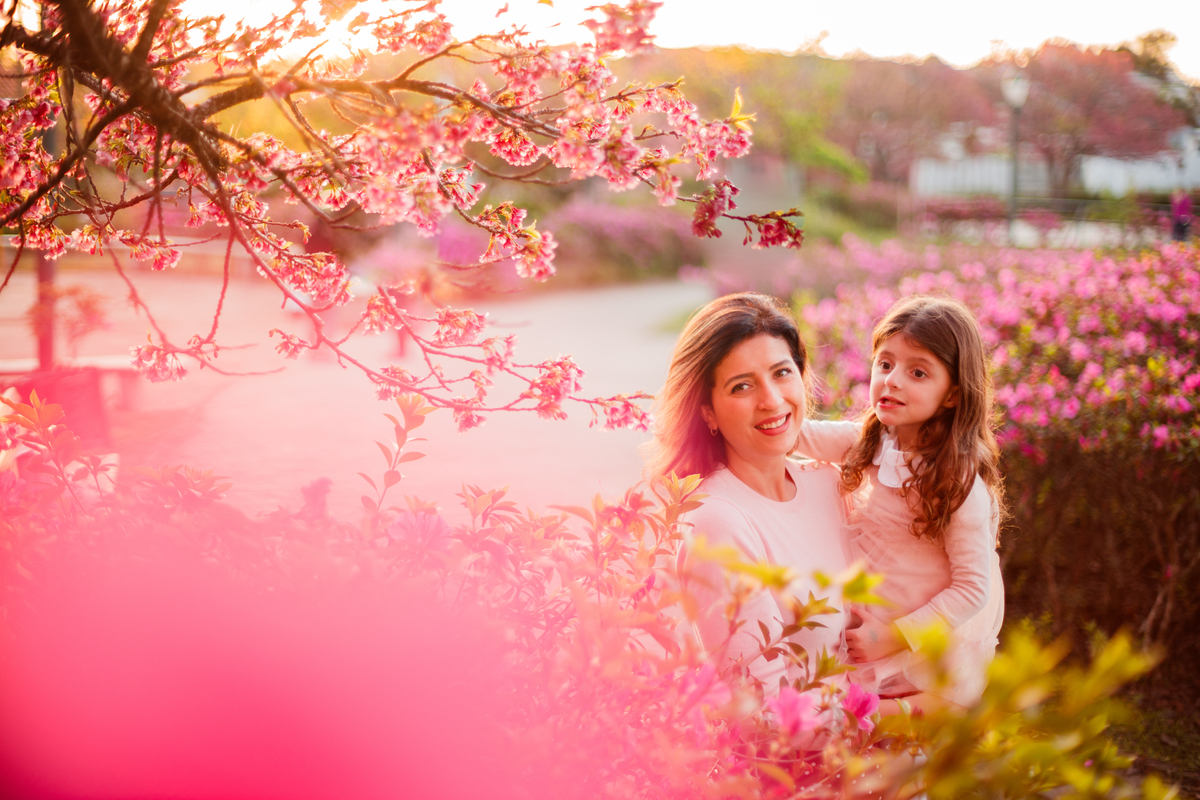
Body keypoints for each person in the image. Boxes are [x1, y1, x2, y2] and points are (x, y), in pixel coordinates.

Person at [793, 296, 1004, 712]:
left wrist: (896, 636)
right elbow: (795, 435)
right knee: (859, 725)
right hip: (869, 629)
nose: (891, 381)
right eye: (885, 364)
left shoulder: (957, 481)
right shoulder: (869, 441)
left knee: (896, 730)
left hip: (919, 643)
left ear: (952, 394)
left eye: (917, 372)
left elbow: (973, 586)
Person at [646, 293, 851, 691]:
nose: (771, 400)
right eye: (742, 387)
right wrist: (904, 712)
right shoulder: (717, 523)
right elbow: (762, 707)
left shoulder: (827, 483)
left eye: (782, 373)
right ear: (707, 411)